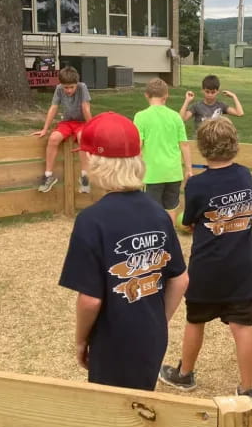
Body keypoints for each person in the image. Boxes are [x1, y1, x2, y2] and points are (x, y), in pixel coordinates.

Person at [58, 112, 189, 390]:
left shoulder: (92, 220)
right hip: (152, 336)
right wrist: (157, 321)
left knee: (115, 415)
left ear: (95, 161)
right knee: (142, 405)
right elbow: (180, 279)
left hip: (112, 339)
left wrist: (81, 340)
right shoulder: (158, 212)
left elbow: (90, 300)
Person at [158, 117, 252, 397]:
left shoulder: (197, 184)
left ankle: (185, 374)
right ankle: (246, 388)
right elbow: (249, 210)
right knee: (242, 325)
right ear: (234, 145)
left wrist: (192, 221)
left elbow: (188, 221)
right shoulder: (245, 176)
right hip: (242, 265)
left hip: (207, 266)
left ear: (203, 148)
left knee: (196, 320)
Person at [134, 78, 192, 225]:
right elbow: (184, 145)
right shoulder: (175, 117)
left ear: (146, 95)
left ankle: (155, 242)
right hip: (173, 172)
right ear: (166, 96)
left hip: (152, 173)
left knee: (151, 211)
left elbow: (138, 146)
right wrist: (189, 169)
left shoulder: (141, 116)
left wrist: (135, 169)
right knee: (171, 209)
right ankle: (169, 241)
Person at [33, 65, 92, 194]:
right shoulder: (59, 89)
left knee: (83, 137)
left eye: (72, 87)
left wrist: (91, 127)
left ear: (76, 84)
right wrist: (45, 129)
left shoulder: (82, 88)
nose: (69, 90)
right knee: (53, 138)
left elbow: (85, 107)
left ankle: (85, 177)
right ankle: (48, 176)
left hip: (82, 123)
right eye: (66, 87)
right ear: (61, 85)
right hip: (67, 122)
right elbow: (53, 108)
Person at [179, 74, 245, 133]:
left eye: (213, 92)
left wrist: (234, 96)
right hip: (201, 141)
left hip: (216, 141)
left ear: (217, 92)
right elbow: (182, 119)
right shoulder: (197, 106)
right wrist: (187, 101)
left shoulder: (221, 105)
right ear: (202, 90)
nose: (210, 95)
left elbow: (240, 113)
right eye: (207, 92)